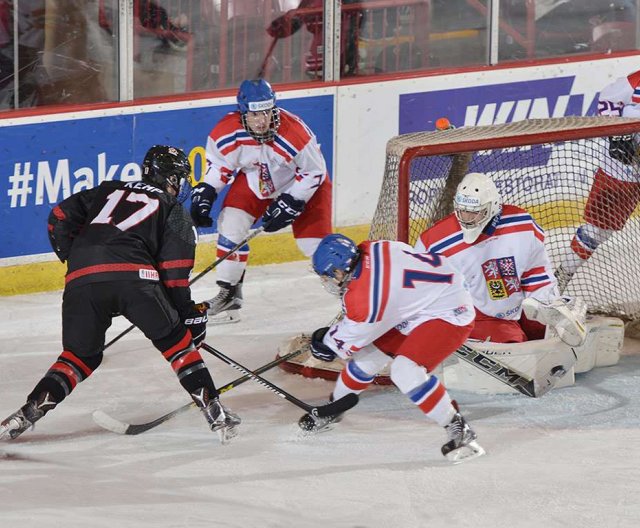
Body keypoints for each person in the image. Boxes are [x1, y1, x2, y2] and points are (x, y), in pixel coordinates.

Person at [0, 145, 240, 444]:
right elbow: (174, 273)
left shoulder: (107, 190)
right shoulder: (174, 210)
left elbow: (59, 217)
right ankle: (215, 412)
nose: (180, 184)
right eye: (178, 177)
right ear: (169, 178)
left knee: (78, 357)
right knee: (177, 346)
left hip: (80, 281)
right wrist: (188, 318)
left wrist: (78, 259)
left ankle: (25, 414)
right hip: (136, 282)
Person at [299, 233, 485, 464]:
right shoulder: (375, 247)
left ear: (340, 270)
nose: (327, 281)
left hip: (449, 310)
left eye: (328, 276)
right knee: (365, 360)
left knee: (405, 371)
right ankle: (334, 409)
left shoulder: (366, 301)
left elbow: (337, 347)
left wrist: (323, 344)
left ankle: (458, 427)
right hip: (420, 301)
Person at [190, 78, 332, 323]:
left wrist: (293, 200)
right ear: (242, 113)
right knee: (231, 224)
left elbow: (314, 172)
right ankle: (229, 294)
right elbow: (221, 166)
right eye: (255, 115)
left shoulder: (294, 133)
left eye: (267, 112)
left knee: (315, 247)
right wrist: (207, 190)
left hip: (303, 184)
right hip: (257, 180)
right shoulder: (226, 131)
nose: (262, 120)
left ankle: (349, 297)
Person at [415, 172, 586, 346]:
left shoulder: (522, 224)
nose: (466, 219)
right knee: (514, 344)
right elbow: (423, 295)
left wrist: (548, 303)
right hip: (475, 316)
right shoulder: (434, 243)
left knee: (551, 332)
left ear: (492, 207)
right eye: (462, 211)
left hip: (514, 305)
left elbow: (535, 273)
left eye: (474, 213)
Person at [556, 69, 640, 291]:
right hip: (623, 171)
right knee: (598, 229)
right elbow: (608, 99)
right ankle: (562, 276)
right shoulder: (636, 81)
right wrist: (617, 134)